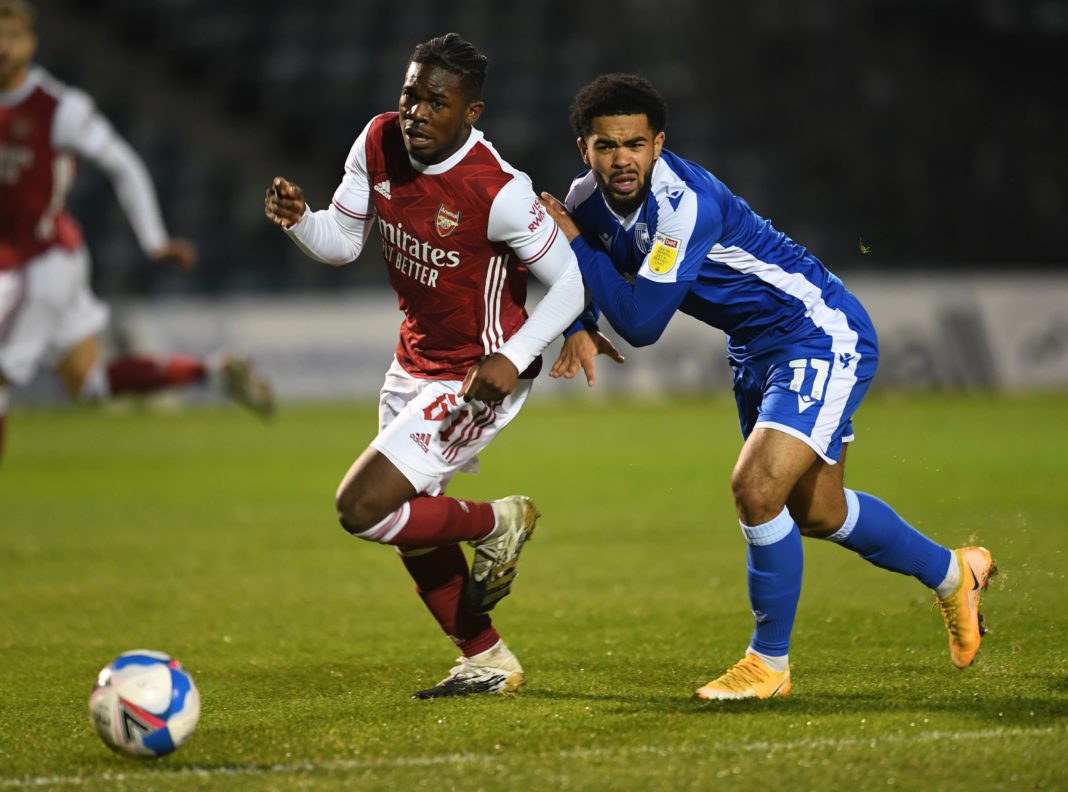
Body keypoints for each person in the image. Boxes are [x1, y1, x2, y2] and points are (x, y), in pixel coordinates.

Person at [539, 73, 996, 700]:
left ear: (659, 143)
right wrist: (584, 321)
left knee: (755, 490)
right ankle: (955, 573)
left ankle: (768, 664)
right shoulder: (586, 199)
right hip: (755, 348)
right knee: (819, 511)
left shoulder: (683, 203)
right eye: (606, 146)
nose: (623, 160)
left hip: (815, 333)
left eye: (636, 144)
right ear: (584, 149)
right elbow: (590, 264)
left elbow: (643, 322)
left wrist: (573, 246)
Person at [264, 33, 593, 699]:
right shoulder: (379, 140)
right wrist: (303, 222)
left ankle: (498, 520)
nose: (415, 111)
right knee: (410, 527)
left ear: (470, 113)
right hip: (412, 362)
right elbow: (344, 242)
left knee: (362, 506)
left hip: (478, 379)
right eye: (410, 94)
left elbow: (572, 284)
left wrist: (514, 355)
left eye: (435, 102)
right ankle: (487, 658)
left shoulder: (497, 191)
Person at [0, 0, 273, 463]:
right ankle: (212, 371)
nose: (3, 47)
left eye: (12, 36)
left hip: (37, 262)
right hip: (38, 258)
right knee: (89, 384)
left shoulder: (58, 107)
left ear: (32, 42)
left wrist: (153, 239)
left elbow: (122, 163)